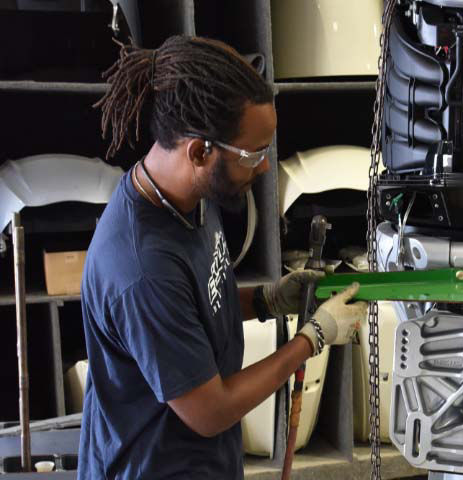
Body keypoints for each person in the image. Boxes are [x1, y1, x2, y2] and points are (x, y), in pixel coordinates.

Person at [78, 35, 368, 479]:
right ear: (199, 151)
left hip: (201, 461)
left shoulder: (190, 196)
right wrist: (312, 338)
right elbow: (209, 411)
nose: (266, 167)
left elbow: (196, 310)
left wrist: (266, 301)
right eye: (254, 155)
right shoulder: (141, 268)